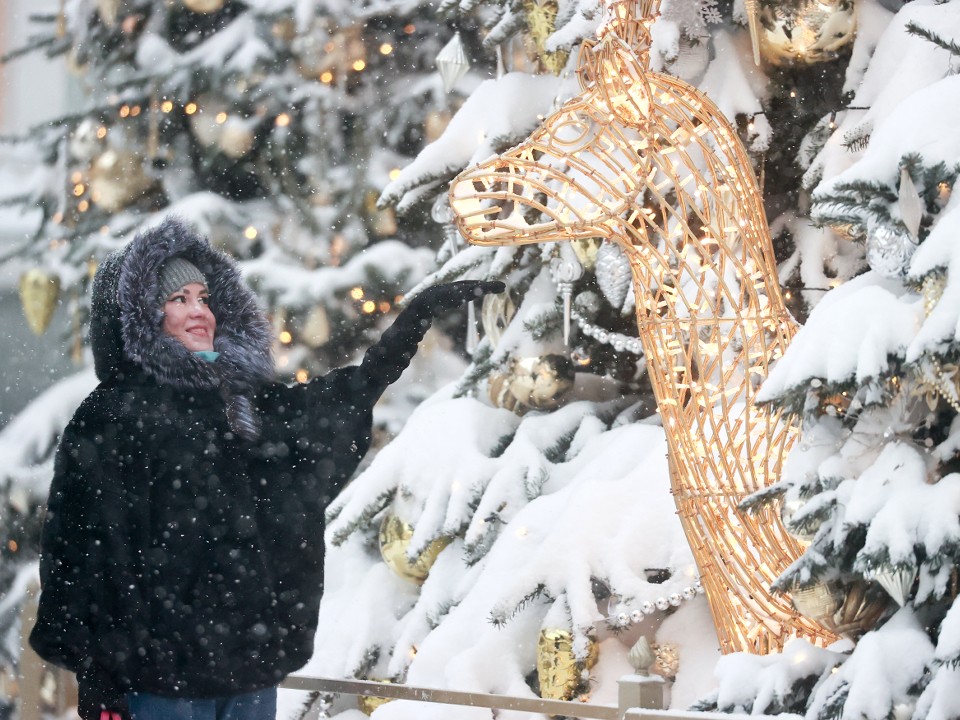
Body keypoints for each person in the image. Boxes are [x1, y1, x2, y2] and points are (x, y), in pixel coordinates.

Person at [28, 216, 503, 720]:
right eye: (178, 299)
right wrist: (96, 673)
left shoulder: (241, 402)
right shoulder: (112, 416)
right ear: (141, 317)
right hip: (156, 680)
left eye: (204, 298)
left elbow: (332, 407)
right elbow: (78, 551)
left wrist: (411, 323)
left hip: (243, 670)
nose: (199, 312)